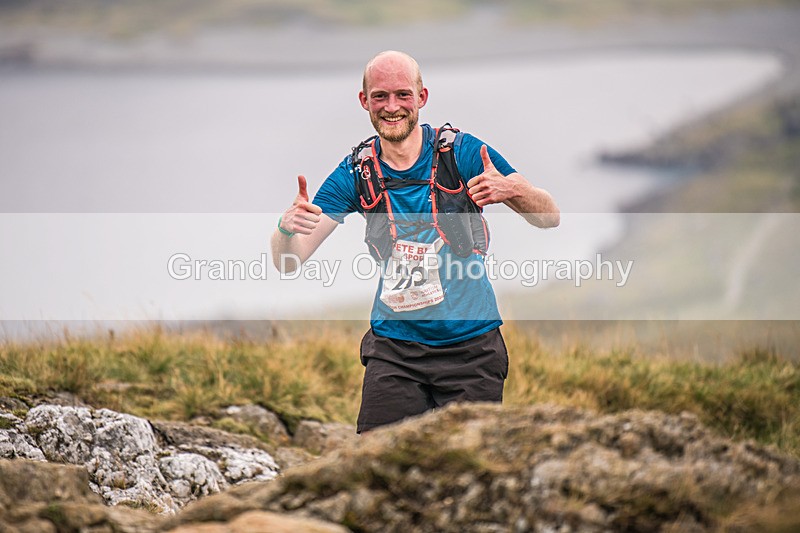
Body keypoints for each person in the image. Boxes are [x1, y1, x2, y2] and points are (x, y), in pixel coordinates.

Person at [271, 50, 559, 433]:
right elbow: (290, 260)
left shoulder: (463, 152)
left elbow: (549, 217)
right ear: (364, 102)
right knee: (376, 471)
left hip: (472, 349)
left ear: (422, 98)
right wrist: (286, 229)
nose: (392, 107)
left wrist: (512, 190)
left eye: (403, 95)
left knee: (466, 473)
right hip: (395, 351)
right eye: (380, 96)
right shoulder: (356, 171)